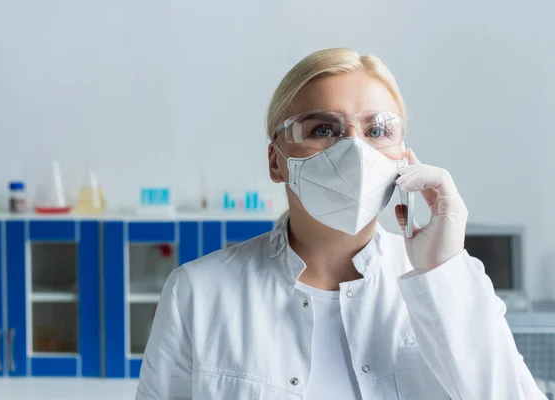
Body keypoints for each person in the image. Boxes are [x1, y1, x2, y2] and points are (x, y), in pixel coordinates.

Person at [136, 48, 545, 399]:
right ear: (276, 161)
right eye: (323, 129)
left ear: (403, 157)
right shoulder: (200, 292)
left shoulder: (451, 283)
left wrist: (440, 271)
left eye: (377, 129)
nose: (355, 148)